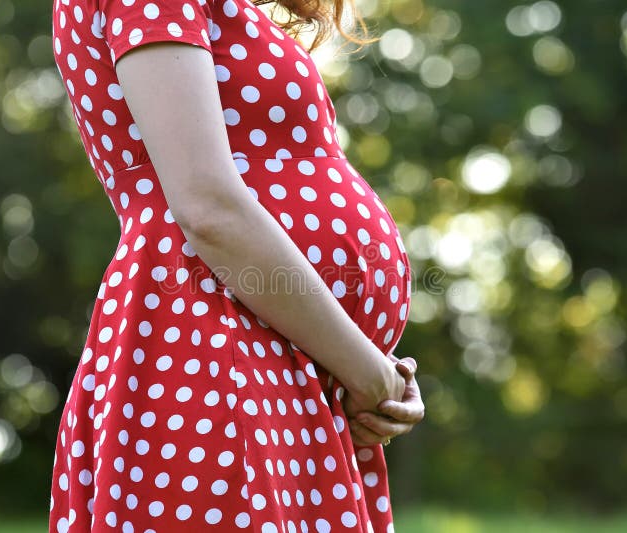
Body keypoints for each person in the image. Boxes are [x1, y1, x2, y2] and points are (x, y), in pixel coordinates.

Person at [48, 0, 424, 531]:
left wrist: (366, 366)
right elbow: (207, 207)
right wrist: (367, 373)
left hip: (278, 372)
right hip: (213, 359)